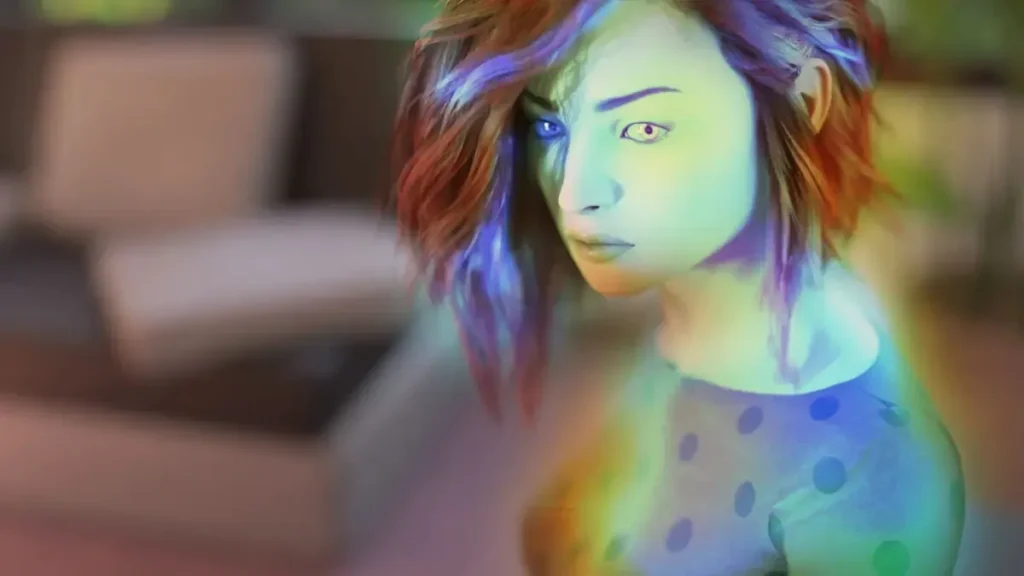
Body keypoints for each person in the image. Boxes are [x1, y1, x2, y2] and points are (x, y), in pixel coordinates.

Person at [390, 0, 964, 574]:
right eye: (550, 126)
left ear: (803, 100)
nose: (574, 193)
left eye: (643, 129)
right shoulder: (686, 338)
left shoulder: (867, 474)